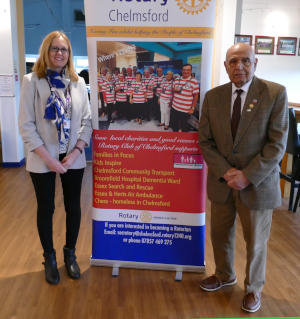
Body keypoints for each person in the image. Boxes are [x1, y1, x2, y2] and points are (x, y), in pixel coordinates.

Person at [198, 43, 288, 312]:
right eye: (233, 61)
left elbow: (276, 145)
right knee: (220, 235)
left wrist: (247, 176)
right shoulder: (213, 97)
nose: (239, 66)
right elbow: (205, 141)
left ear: (255, 63)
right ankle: (225, 275)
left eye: (246, 61)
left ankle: (253, 288)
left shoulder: (274, 94)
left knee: (256, 242)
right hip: (222, 183)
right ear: (226, 66)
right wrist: (227, 172)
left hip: (257, 185)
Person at [18, 31, 92, 285]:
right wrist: (49, 160)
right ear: (46, 52)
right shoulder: (32, 81)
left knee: (74, 207)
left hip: (74, 158)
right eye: (55, 49)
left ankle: (69, 253)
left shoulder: (78, 82)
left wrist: (75, 153)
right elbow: (26, 125)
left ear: (69, 54)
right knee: (46, 208)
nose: (60, 53)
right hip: (42, 158)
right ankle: (49, 257)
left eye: (64, 49)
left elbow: (87, 120)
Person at [171, 64, 199, 132]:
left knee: (184, 128)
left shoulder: (194, 81)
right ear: (182, 70)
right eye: (184, 70)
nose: (185, 71)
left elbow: (196, 95)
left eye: (188, 70)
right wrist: (174, 89)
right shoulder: (177, 79)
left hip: (186, 110)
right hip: (175, 108)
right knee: (174, 127)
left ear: (191, 71)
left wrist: (192, 108)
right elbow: (172, 89)